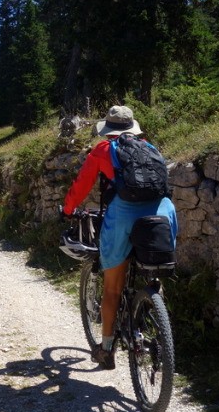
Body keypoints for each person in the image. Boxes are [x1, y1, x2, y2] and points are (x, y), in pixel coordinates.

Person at [61, 105, 178, 369]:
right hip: (163, 211)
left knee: (113, 288)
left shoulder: (103, 150)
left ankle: (106, 349)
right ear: (132, 128)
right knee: (154, 267)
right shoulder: (150, 148)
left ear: (109, 129)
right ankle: (153, 309)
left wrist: (68, 210)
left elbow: (82, 185)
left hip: (124, 214)